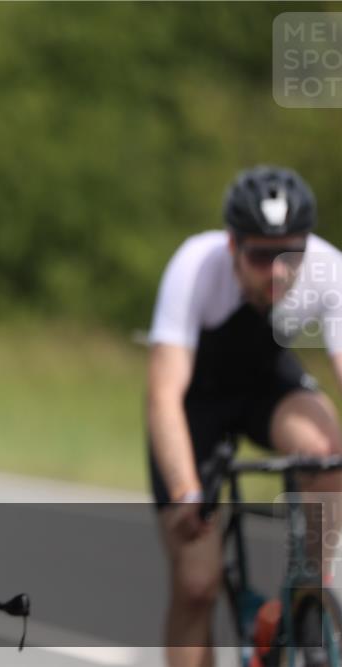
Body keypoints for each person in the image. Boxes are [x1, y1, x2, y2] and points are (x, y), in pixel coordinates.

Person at [146, 166, 342, 666]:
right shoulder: (195, 264)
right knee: (196, 583)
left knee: (327, 452)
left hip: (265, 387)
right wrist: (187, 490)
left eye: (290, 254)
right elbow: (164, 393)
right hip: (197, 403)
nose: (277, 271)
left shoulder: (330, 270)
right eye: (260, 255)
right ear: (233, 246)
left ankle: (308, 595)